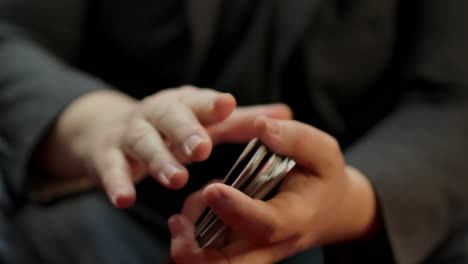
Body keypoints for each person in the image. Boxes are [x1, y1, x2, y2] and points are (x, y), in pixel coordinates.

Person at [0, 0, 467, 263]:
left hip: (358, 225)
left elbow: (452, 101)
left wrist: (351, 200)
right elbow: (13, 36)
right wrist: (99, 124)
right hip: (101, 208)